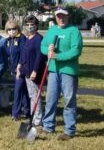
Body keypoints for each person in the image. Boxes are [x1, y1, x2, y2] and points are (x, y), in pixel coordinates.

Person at [41, 7, 83, 141]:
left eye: (63, 16)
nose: (61, 18)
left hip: (69, 72)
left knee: (69, 101)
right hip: (53, 71)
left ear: (68, 16)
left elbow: (76, 51)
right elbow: (42, 46)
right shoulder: (52, 30)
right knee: (50, 99)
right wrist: (47, 50)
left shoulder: (74, 31)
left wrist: (56, 56)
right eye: (58, 16)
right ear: (55, 17)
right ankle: (48, 127)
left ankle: (69, 130)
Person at [17, 15, 47, 126]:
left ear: (36, 26)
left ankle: (38, 119)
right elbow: (23, 54)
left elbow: (39, 56)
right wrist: (19, 66)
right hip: (26, 71)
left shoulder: (38, 38)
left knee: (35, 96)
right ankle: (33, 117)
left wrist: (35, 71)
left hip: (34, 72)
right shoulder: (27, 38)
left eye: (32, 25)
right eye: (28, 25)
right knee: (31, 95)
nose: (30, 27)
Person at [4, 20, 29, 121]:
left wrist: (19, 68)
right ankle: (27, 112)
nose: (12, 31)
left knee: (17, 91)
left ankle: (15, 113)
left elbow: (23, 54)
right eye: (9, 29)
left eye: (14, 29)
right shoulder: (8, 40)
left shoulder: (21, 38)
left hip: (21, 69)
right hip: (13, 70)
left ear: (17, 29)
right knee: (23, 91)